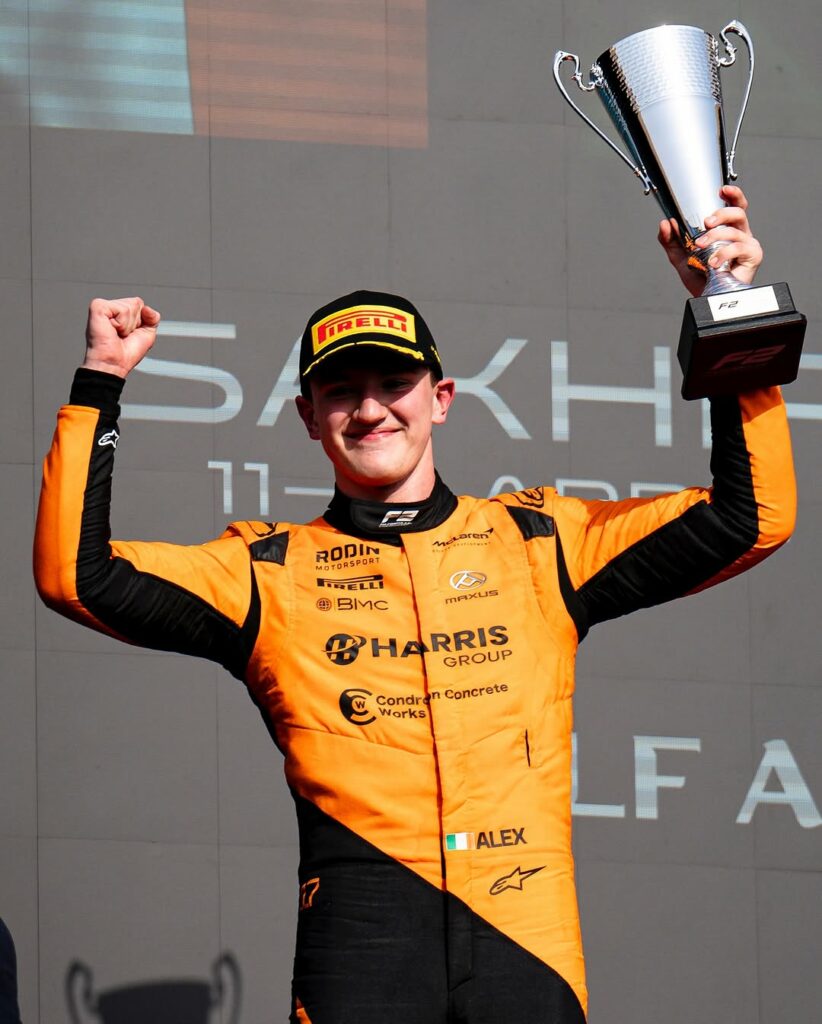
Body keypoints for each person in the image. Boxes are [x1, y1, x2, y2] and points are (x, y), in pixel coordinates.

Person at [34, 186, 795, 1024]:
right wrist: (101, 381)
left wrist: (730, 307)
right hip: (361, 943)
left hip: (527, 938)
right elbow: (76, 576)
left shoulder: (541, 542)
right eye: (341, 390)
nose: (370, 409)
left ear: (441, 399)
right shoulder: (267, 571)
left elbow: (751, 517)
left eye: (395, 382)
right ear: (307, 417)